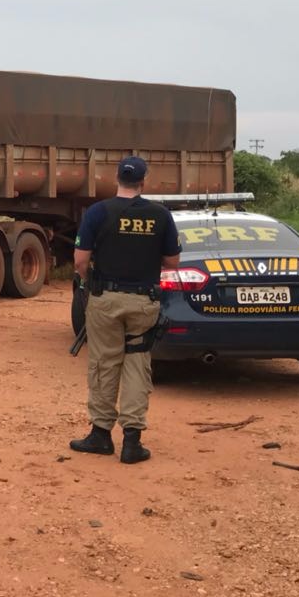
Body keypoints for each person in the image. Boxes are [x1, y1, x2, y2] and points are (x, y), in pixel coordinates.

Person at [69, 156, 180, 464]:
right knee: (136, 365)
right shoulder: (160, 215)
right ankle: (132, 441)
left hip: (106, 299)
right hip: (144, 301)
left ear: (115, 178)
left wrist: (89, 282)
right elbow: (172, 262)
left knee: (105, 363)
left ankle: (100, 436)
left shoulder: (98, 212)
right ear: (144, 182)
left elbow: (80, 261)